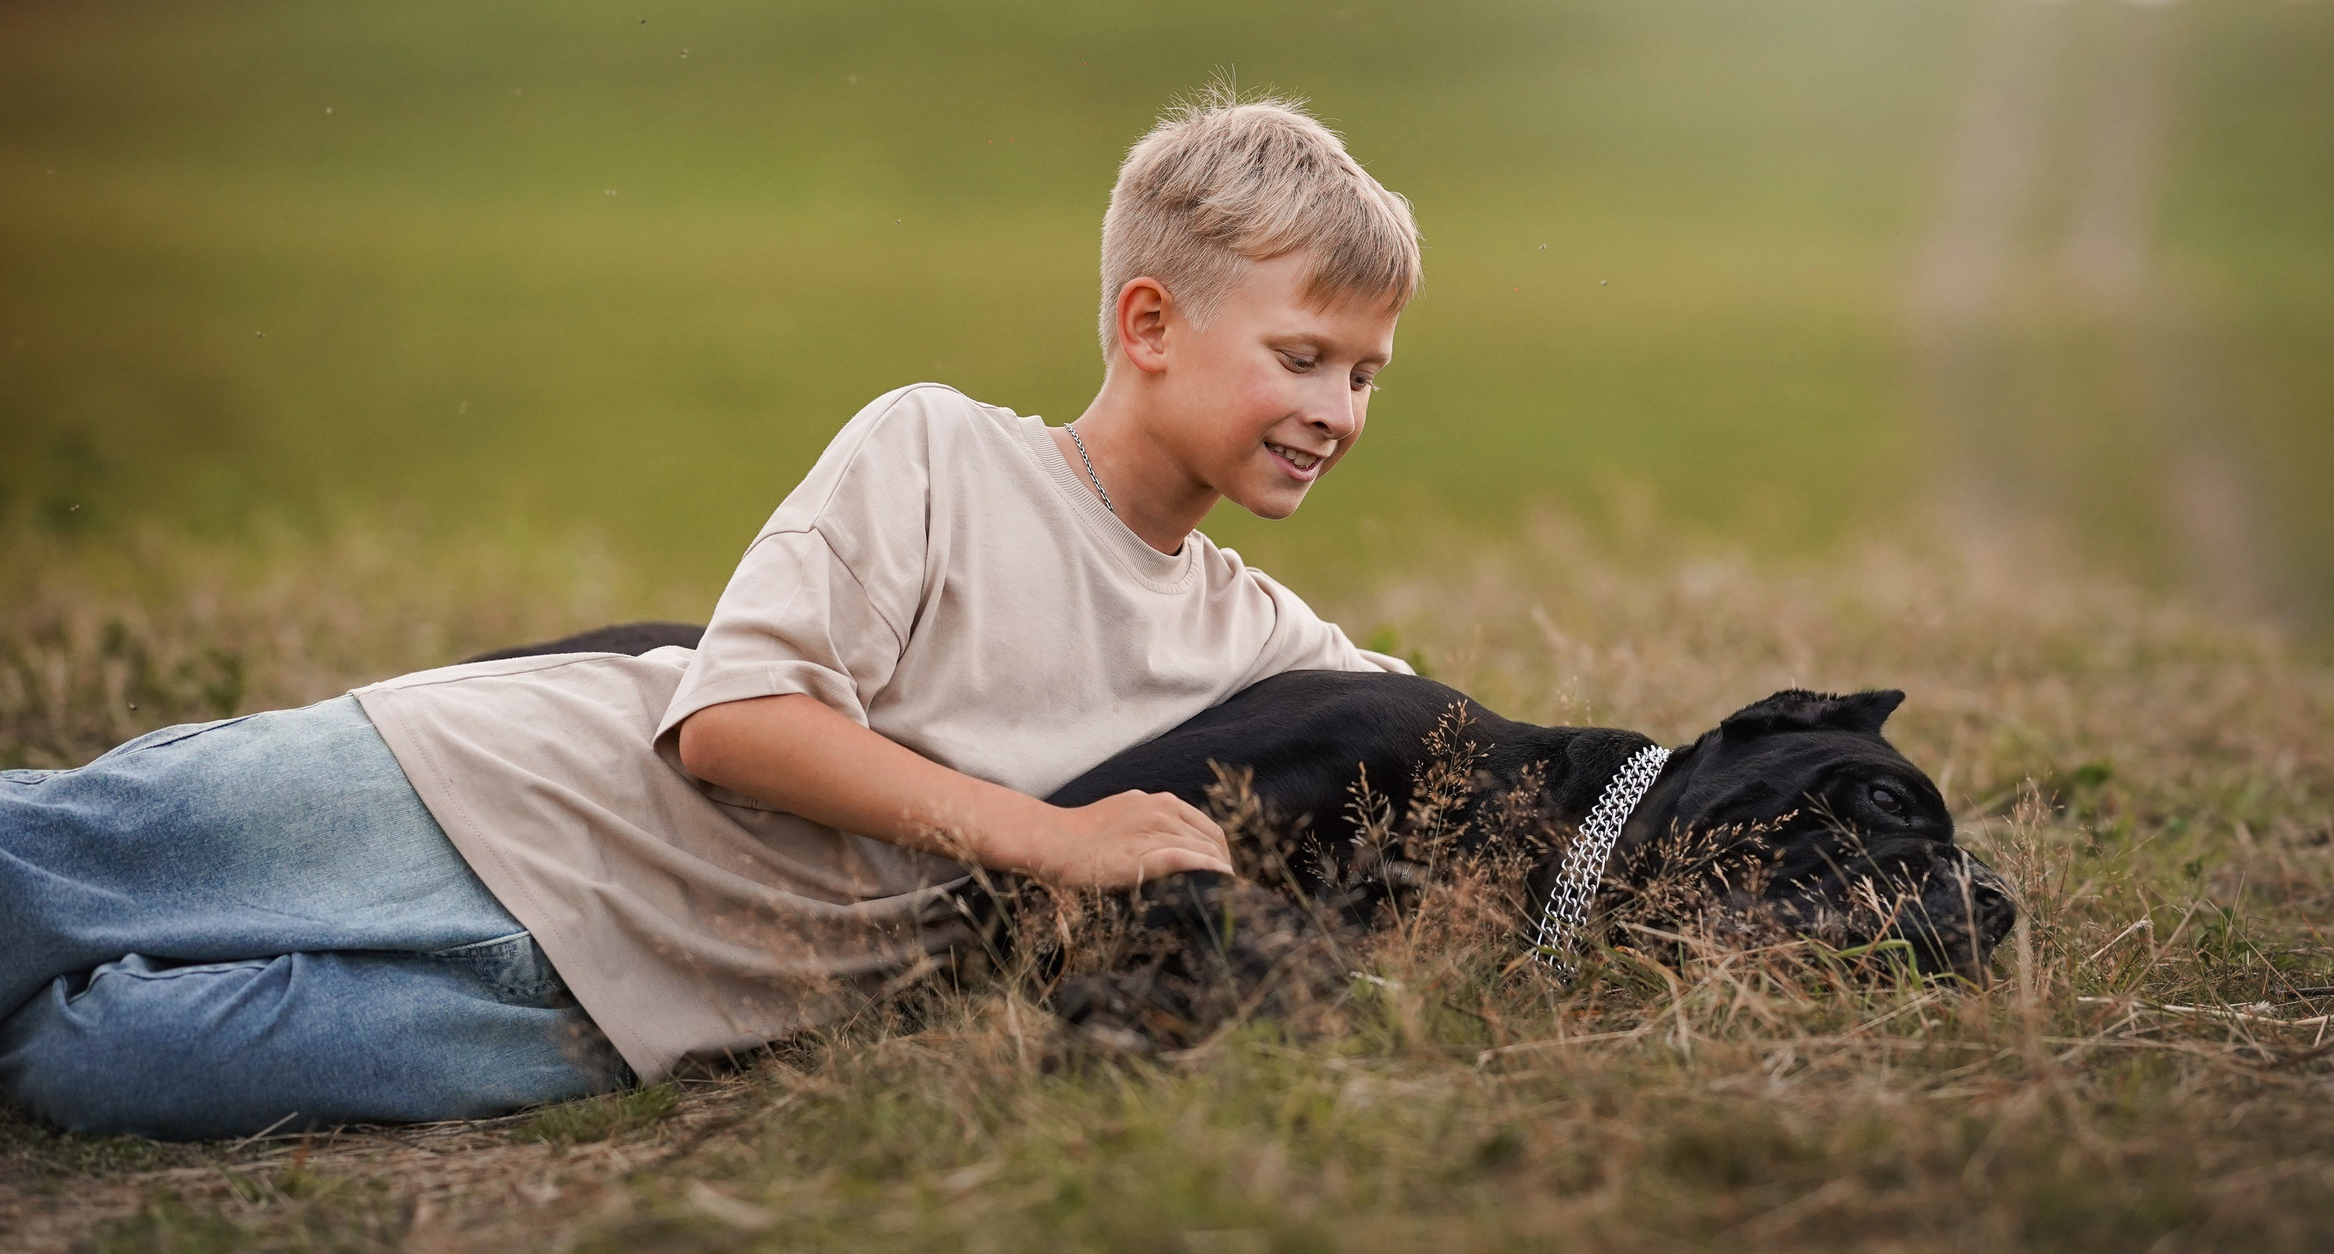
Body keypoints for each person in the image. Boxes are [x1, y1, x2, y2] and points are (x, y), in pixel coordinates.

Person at [0, 94, 1421, 1139]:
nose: (1338, 412)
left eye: (1365, 374)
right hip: (508, 793)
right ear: (1150, 324)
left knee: (91, 1067)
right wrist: (1050, 839)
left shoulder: (1259, 638)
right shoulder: (940, 450)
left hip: (627, 1002)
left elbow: (1433, 735)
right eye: (1303, 356)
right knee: (44, 868)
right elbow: (736, 724)